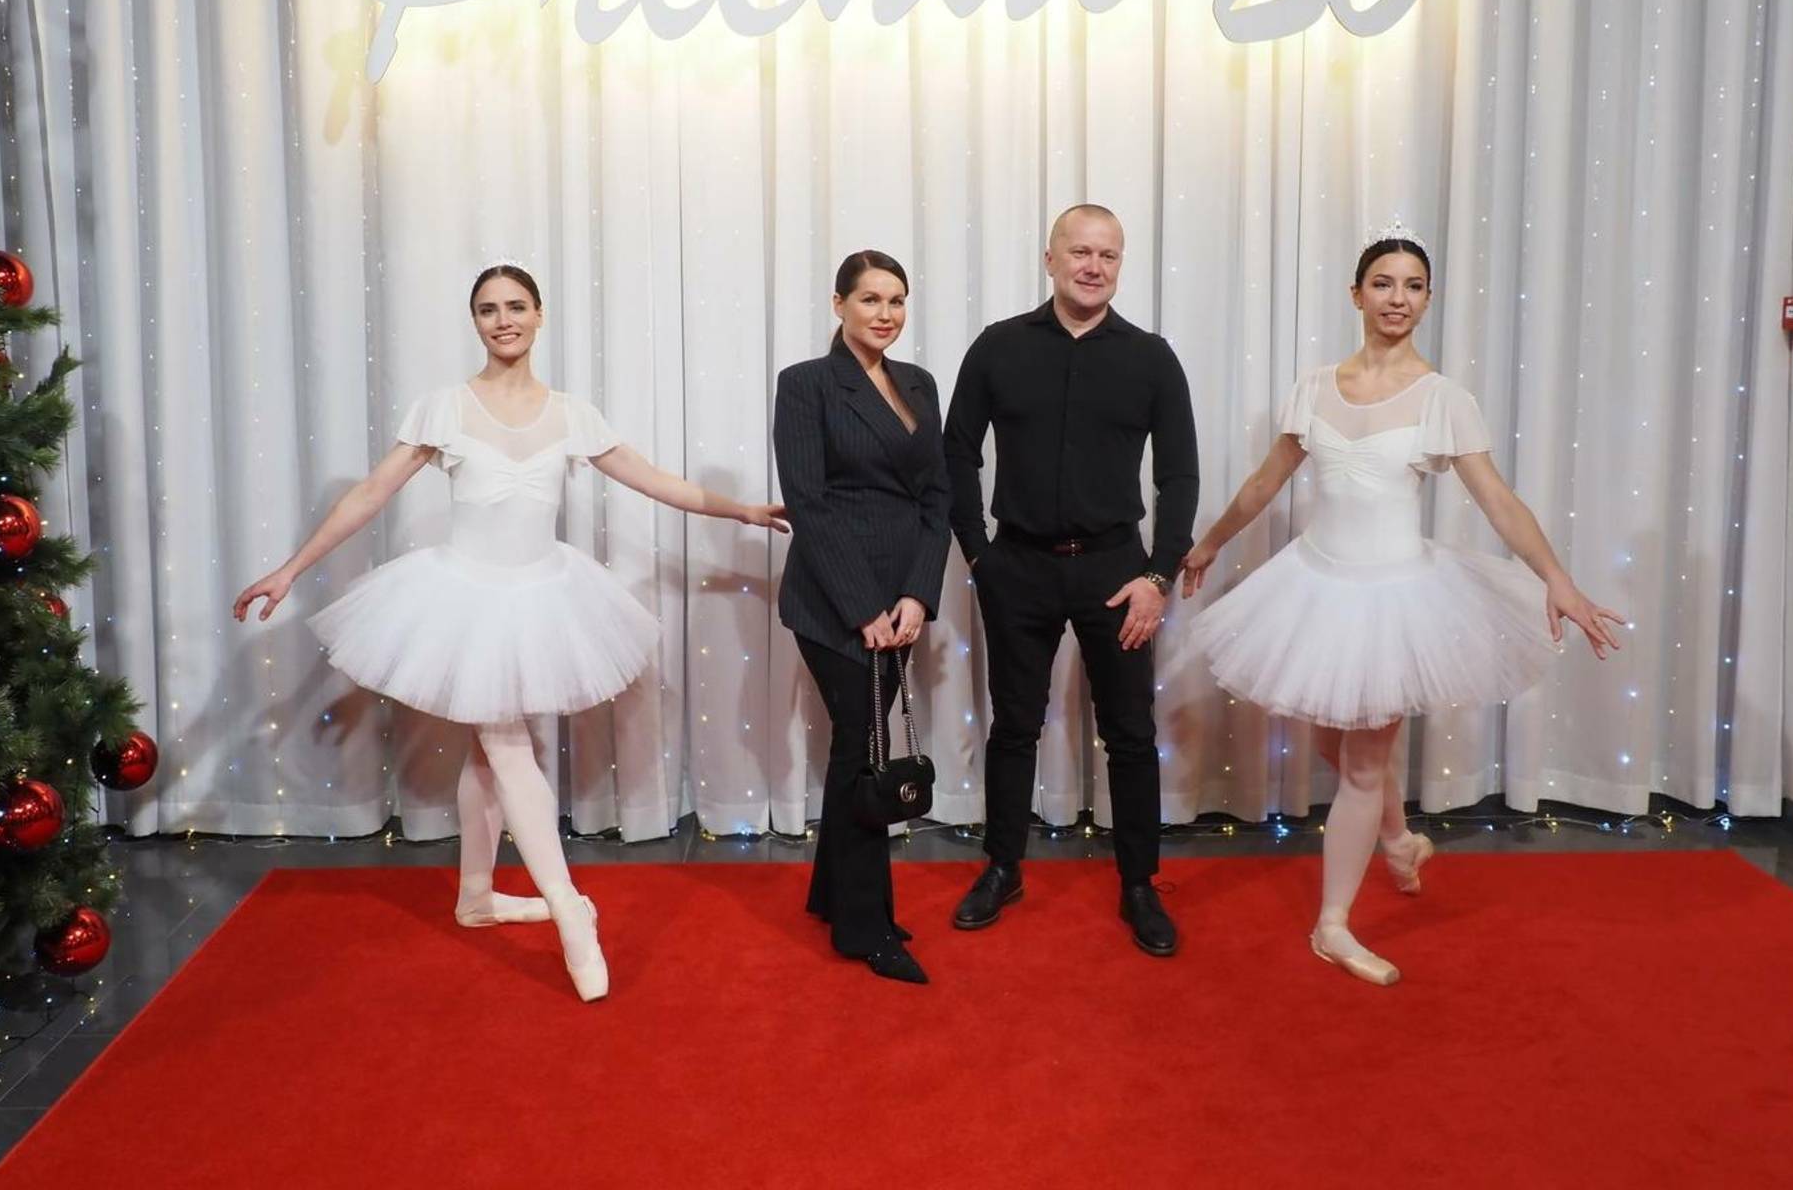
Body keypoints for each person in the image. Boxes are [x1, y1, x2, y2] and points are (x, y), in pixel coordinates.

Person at [233, 262, 786, 1001]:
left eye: (516, 306)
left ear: (539, 315)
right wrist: (290, 569)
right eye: (489, 309)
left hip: (543, 593)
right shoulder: (444, 409)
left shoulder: (572, 413)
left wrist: (740, 510)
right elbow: (371, 493)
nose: (504, 320)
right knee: (506, 743)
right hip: (466, 599)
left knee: (491, 751)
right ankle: (568, 909)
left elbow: (654, 479)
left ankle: (475, 896)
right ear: (475, 322)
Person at [1179, 233, 1625, 985]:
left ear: (1427, 299)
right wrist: (1210, 544)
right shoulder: (1314, 387)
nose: (1397, 298)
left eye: (1413, 285)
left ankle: (1332, 925)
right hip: (1316, 588)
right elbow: (1265, 482)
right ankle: (1398, 840)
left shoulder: (1443, 399)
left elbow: (1497, 500)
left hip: (1394, 602)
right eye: (1383, 283)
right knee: (1335, 747)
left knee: (1362, 764)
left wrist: (1557, 578)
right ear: (1357, 295)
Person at [944, 204, 1199, 956]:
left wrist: (1158, 575)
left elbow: (1179, 476)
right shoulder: (998, 347)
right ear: (1050, 259)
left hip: (1119, 572)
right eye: (1080, 252)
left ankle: (1139, 883)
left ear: (1121, 266)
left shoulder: (1152, 358)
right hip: (1017, 566)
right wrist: (979, 556)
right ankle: (1002, 867)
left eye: (1108, 255)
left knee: (1130, 732)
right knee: (1013, 725)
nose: (1094, 266)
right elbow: (956, 453)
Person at [773, 251, 952, 984]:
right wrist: (862, 610)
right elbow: (808, 504)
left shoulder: (919, 383)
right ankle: (865, 927)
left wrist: (917, 594)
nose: (886, 313)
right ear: (839, 304)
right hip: (832, 602)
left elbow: (937, 497)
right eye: (871, 299)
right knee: (866, 749)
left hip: (901, 599)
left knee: (858, 747)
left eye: (897, 300)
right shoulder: (807, 384)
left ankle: (832, 895)